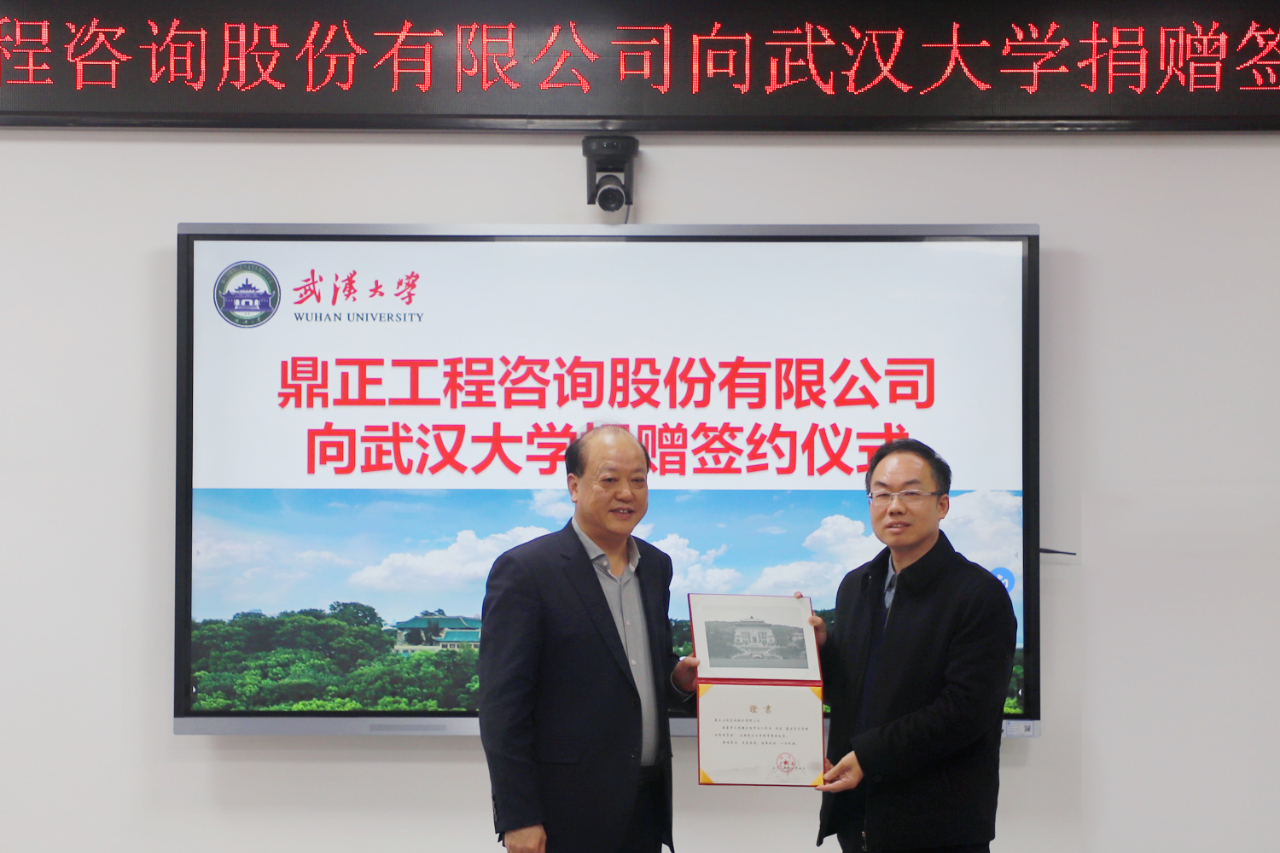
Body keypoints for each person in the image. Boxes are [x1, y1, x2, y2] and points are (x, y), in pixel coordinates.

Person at [479, 425, 699, 853]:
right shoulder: (526, 570)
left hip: (645, 804)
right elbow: (502, 708)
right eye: (610, 479)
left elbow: (641, 668)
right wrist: (519, 816)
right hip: (564, 812)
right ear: (574, 486)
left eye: (639, 480)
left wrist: (676, 680)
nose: (627, 493)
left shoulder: (656, 566)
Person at [809, 438, 1016, 853]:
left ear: (942, 505)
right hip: (858, 818)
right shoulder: (856, 585)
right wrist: (820, 651)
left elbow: (965, 711)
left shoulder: (979, 594)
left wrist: (868, 756)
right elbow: (854, 691)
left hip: (938, 828)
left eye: (911, 493)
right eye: (882, 494)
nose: (895, 506)